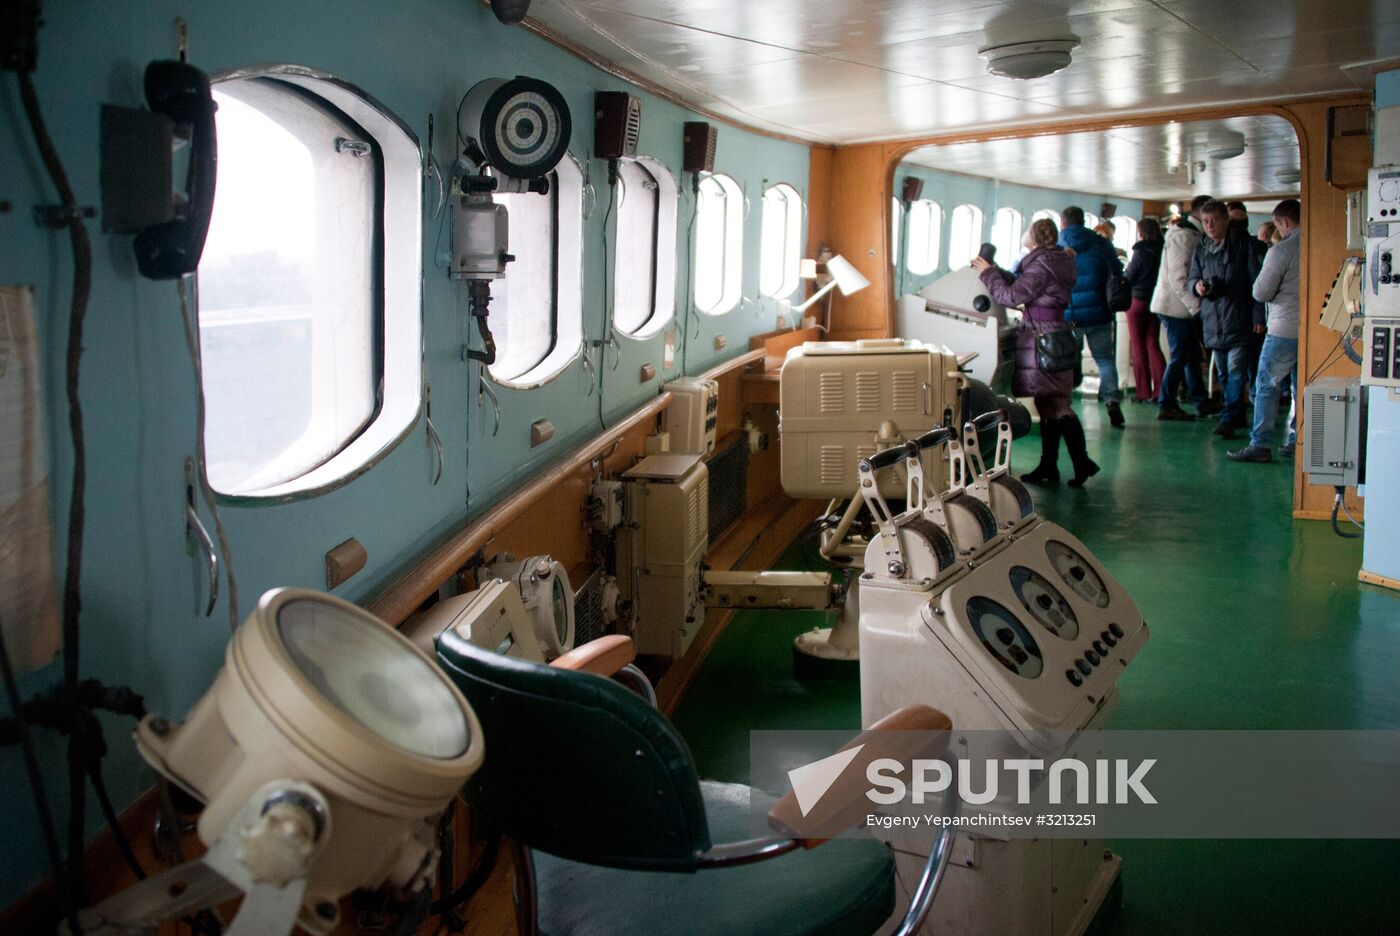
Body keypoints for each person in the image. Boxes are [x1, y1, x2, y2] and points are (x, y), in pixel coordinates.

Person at [974, 218, 1100, 487]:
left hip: (1045, 340)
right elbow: (1024, 284)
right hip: (1055, 336)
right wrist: (996, 270)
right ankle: (1049, 465)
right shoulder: (1054, 260)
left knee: (1059, 405)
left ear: (1031, 239)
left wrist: (987, 273)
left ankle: (1082, 463)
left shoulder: (1042, 263)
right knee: (1047, 404)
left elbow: (1010, 296)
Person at [1228, 199, 1302, 463]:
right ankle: (1297, 441)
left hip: (1283, 327)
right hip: (1310, 329)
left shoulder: (1281, 251)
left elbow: (1261, 291)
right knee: (1299, 387)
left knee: (1267, 385)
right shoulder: (1317, 244)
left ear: (1282, 222)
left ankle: (1260, 444)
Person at [1188, 199, 1264, 439]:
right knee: (1223, 374)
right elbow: (1192, 278)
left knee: (1236, 371)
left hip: (1239, 317)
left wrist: (1258, 315)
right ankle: (1236, 413)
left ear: (1225, 220)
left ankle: (1229, 418)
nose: (1209, 226)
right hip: (1213, 320)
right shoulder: (1201, 249)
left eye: (1213, 221)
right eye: (1205, 222)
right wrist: (1197, 287)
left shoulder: (1244, 247)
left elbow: (1257, 284)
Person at [1059, 205, 1127, 428]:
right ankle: (1112, 401)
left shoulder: (1057, 245)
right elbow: (1117, 271)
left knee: (1067, 361)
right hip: (1100, 312)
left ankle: (1064, 406)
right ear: (1083, 221)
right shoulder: (1100, 243)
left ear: (1063, 223)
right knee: (1105, 360)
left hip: (1071, 314)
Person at [1150, 196, 1209, 420]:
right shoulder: (1184, 236)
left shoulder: (1188, 234)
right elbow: (1179, 277)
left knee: (1191, 354)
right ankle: (1166, 403)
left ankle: (1201, 400)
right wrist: (1196, 307)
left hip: (1178, 305)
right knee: (1181, 355)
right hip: (1176, 307)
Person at [1124, 218, 1165, 403]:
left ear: (1141, 233)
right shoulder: (1163, 250)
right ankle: (1160, 390)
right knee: (1153, 344)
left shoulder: (1140, 252)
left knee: (1138, 345)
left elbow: (1130, 277)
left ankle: (1143, 391)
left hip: (1137, 301)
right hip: (1155, 301)